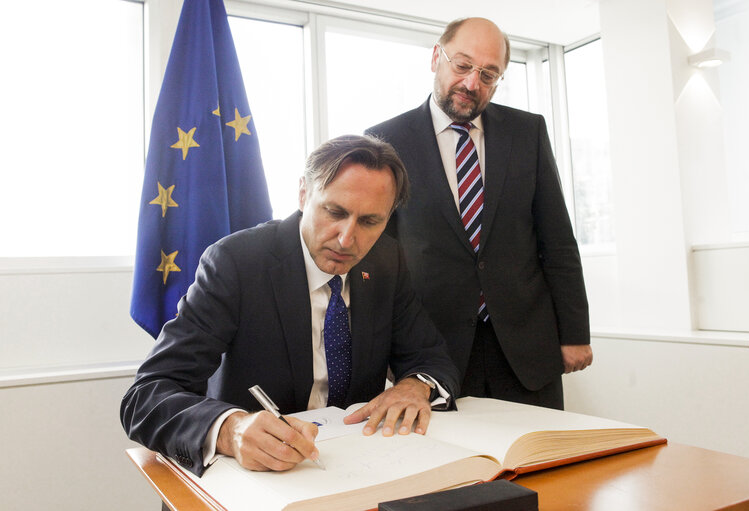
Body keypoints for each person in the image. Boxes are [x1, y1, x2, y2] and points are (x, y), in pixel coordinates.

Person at [120, 135, 461, 477]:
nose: (347, 239)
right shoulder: (236, 263)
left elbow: (429, 356)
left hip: (358, 467)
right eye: (334, 212)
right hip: (258, 479)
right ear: (303, 194)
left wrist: (416, 385)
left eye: (370, 221)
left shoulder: (386, 260)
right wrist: (230, 430)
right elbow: (146, 396)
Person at [366, 17, 592, 410]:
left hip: (527, 347)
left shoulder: (527, 132)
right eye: (463, 65)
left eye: (488, 74)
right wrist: (383, 348)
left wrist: (575, 333)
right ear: (437, 56)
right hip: (435, 353)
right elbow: (377, 257)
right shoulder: (386, 141)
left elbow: (557, 240)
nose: (473, 83)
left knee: (538, 463)